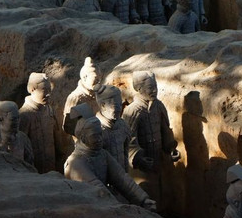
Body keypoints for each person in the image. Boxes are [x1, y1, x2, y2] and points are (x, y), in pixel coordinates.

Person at [64, 115, 156, 210]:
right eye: (94, 136)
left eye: (100, 134)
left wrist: (142, 199)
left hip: (106, 205)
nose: (100, 139)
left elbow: (121, 178)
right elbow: (98, 190)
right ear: (83, 138)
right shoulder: (75, 163)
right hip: (88, 210)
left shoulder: (102, 154)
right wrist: (119, 208)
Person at [123, 71, 180, 206]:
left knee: (163, 196)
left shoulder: (158, 106)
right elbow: (128, 139)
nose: (154, 91)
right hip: (141, 167)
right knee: (146, 198)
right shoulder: (132, 111)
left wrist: (171, 148)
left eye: (155, 87)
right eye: (150, 88)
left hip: (159, 161)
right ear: (139, 89)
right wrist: (138, 159)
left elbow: (165, 130)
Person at [19, 73, 59, 173]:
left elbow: (57, 138)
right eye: (44, 90)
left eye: (49, 89)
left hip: (51, 169)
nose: (48, 94)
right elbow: (20, 146)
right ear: (32, 89)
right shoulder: (24, 115)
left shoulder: (49, 109)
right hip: (33, 171)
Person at [95, 85, 131, 170]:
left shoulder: (123, 126)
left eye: (120, 105)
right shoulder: (94, 130)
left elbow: (125, 155)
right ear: (103, 105)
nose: (119, 109)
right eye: (115, 106)